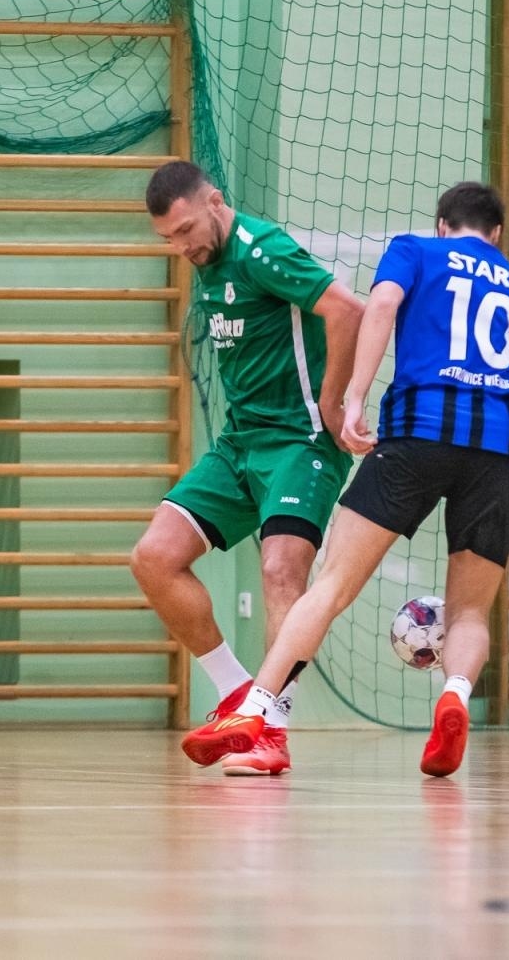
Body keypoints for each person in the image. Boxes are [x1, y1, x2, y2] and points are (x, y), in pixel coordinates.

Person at [179, 182, 509, 779]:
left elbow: (381, 306)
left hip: (418, 434)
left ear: (443, 224)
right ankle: (453, 695)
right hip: (498, 448)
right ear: (496, 233)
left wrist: (352, 397)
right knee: (469, 613)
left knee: (331, 586)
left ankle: (258, 706)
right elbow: (508, 378)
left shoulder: (416, 250)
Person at [134, 161, 361, 776]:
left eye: (186, 230)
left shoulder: (261, 249)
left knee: (281, 569)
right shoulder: (207, 264)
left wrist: (337, 404)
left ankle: (272, 731)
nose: (182, 247)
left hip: (300, 440)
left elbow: (347, 310)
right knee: (153, 558)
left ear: (213, 201)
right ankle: (239, 693)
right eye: (169, 240)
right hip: (240, 442)